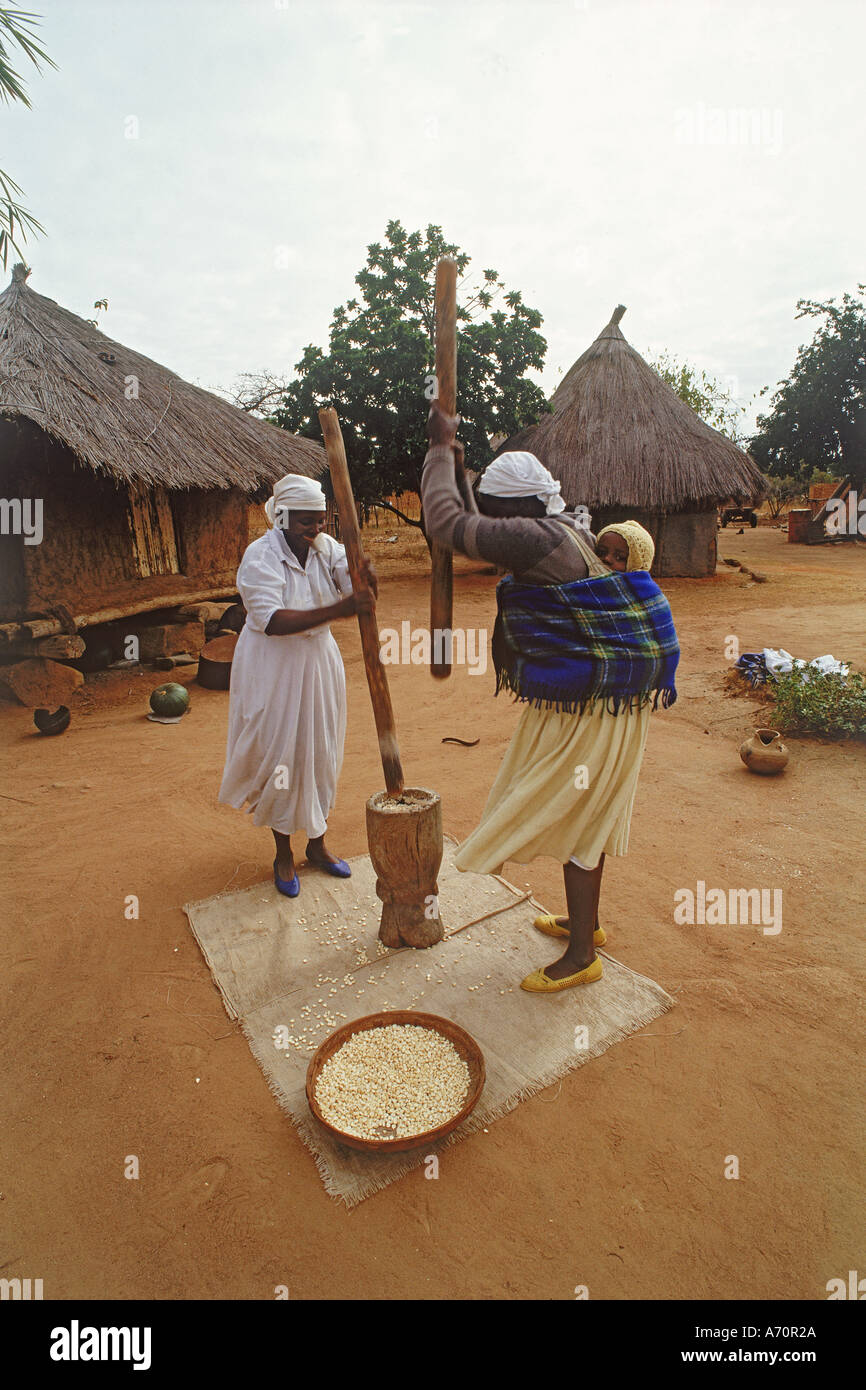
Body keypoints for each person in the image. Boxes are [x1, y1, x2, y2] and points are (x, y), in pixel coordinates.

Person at [421, 402, 679, 993]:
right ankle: (583, 923)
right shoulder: (568, 528)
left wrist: (438, 448)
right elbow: (462, 509)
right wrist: (458, 464)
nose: (488, 514)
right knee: (583, 815)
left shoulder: (534, 539)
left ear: (518, 509)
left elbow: (446, 523)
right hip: (597, 701)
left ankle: (583, 953)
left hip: (591, 707)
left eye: (494, 505)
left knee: (580, 818)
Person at [218, 473, 376, 897]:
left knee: (321, 753)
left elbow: (356, 585)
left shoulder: (327, 550)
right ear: (283, 518)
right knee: (281, 757)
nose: (316, 529)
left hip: (318, 663)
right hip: (274, 667)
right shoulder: (259, 557)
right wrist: (341, 608)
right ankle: (283, 852)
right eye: (307, 521)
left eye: (321, 520)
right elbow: (271, 621)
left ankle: (318, 846)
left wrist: (364, 574)